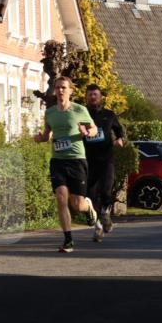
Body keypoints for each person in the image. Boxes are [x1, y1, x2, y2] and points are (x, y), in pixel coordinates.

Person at [34, 76, 99, 251]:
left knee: (77, 204)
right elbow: (48, 134)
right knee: (61, 198)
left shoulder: (79, 110)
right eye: (57, 88)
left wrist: (87, 132)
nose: (60, 90)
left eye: (63, 87)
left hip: (76, 160)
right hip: (58, 161)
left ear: (70, 90)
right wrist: (41, 138)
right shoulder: (50, 112)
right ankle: (68, 240)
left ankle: (88, 207)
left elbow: (94, 128)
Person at [83, 84, 125, 237]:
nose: (93, 97)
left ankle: (105, 214)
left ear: (100, 97)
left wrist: (121, 139)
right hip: (88, 159)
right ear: (86, 97)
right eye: (90, 95)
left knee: (107, 191)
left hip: (106, 158)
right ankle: (98, 226)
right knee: (90, 195)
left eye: (95, 94)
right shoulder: (81, 114)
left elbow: (120, 131)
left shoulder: (109, 114)